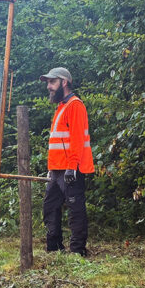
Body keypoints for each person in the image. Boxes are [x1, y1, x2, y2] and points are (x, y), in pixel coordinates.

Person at [40, 67, 94, 256]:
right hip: (57, 169)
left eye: (52, 82)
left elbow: (77, 140)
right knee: (50, 207)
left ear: (64, 82)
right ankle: (54, 248)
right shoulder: (61, 106)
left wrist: (72, 167)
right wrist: (51, 169)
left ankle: (78, 251)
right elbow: (58, 142)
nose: (49, 87)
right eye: (48, 83)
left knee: (75, 209)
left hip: (71, 168)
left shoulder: (75, 105)